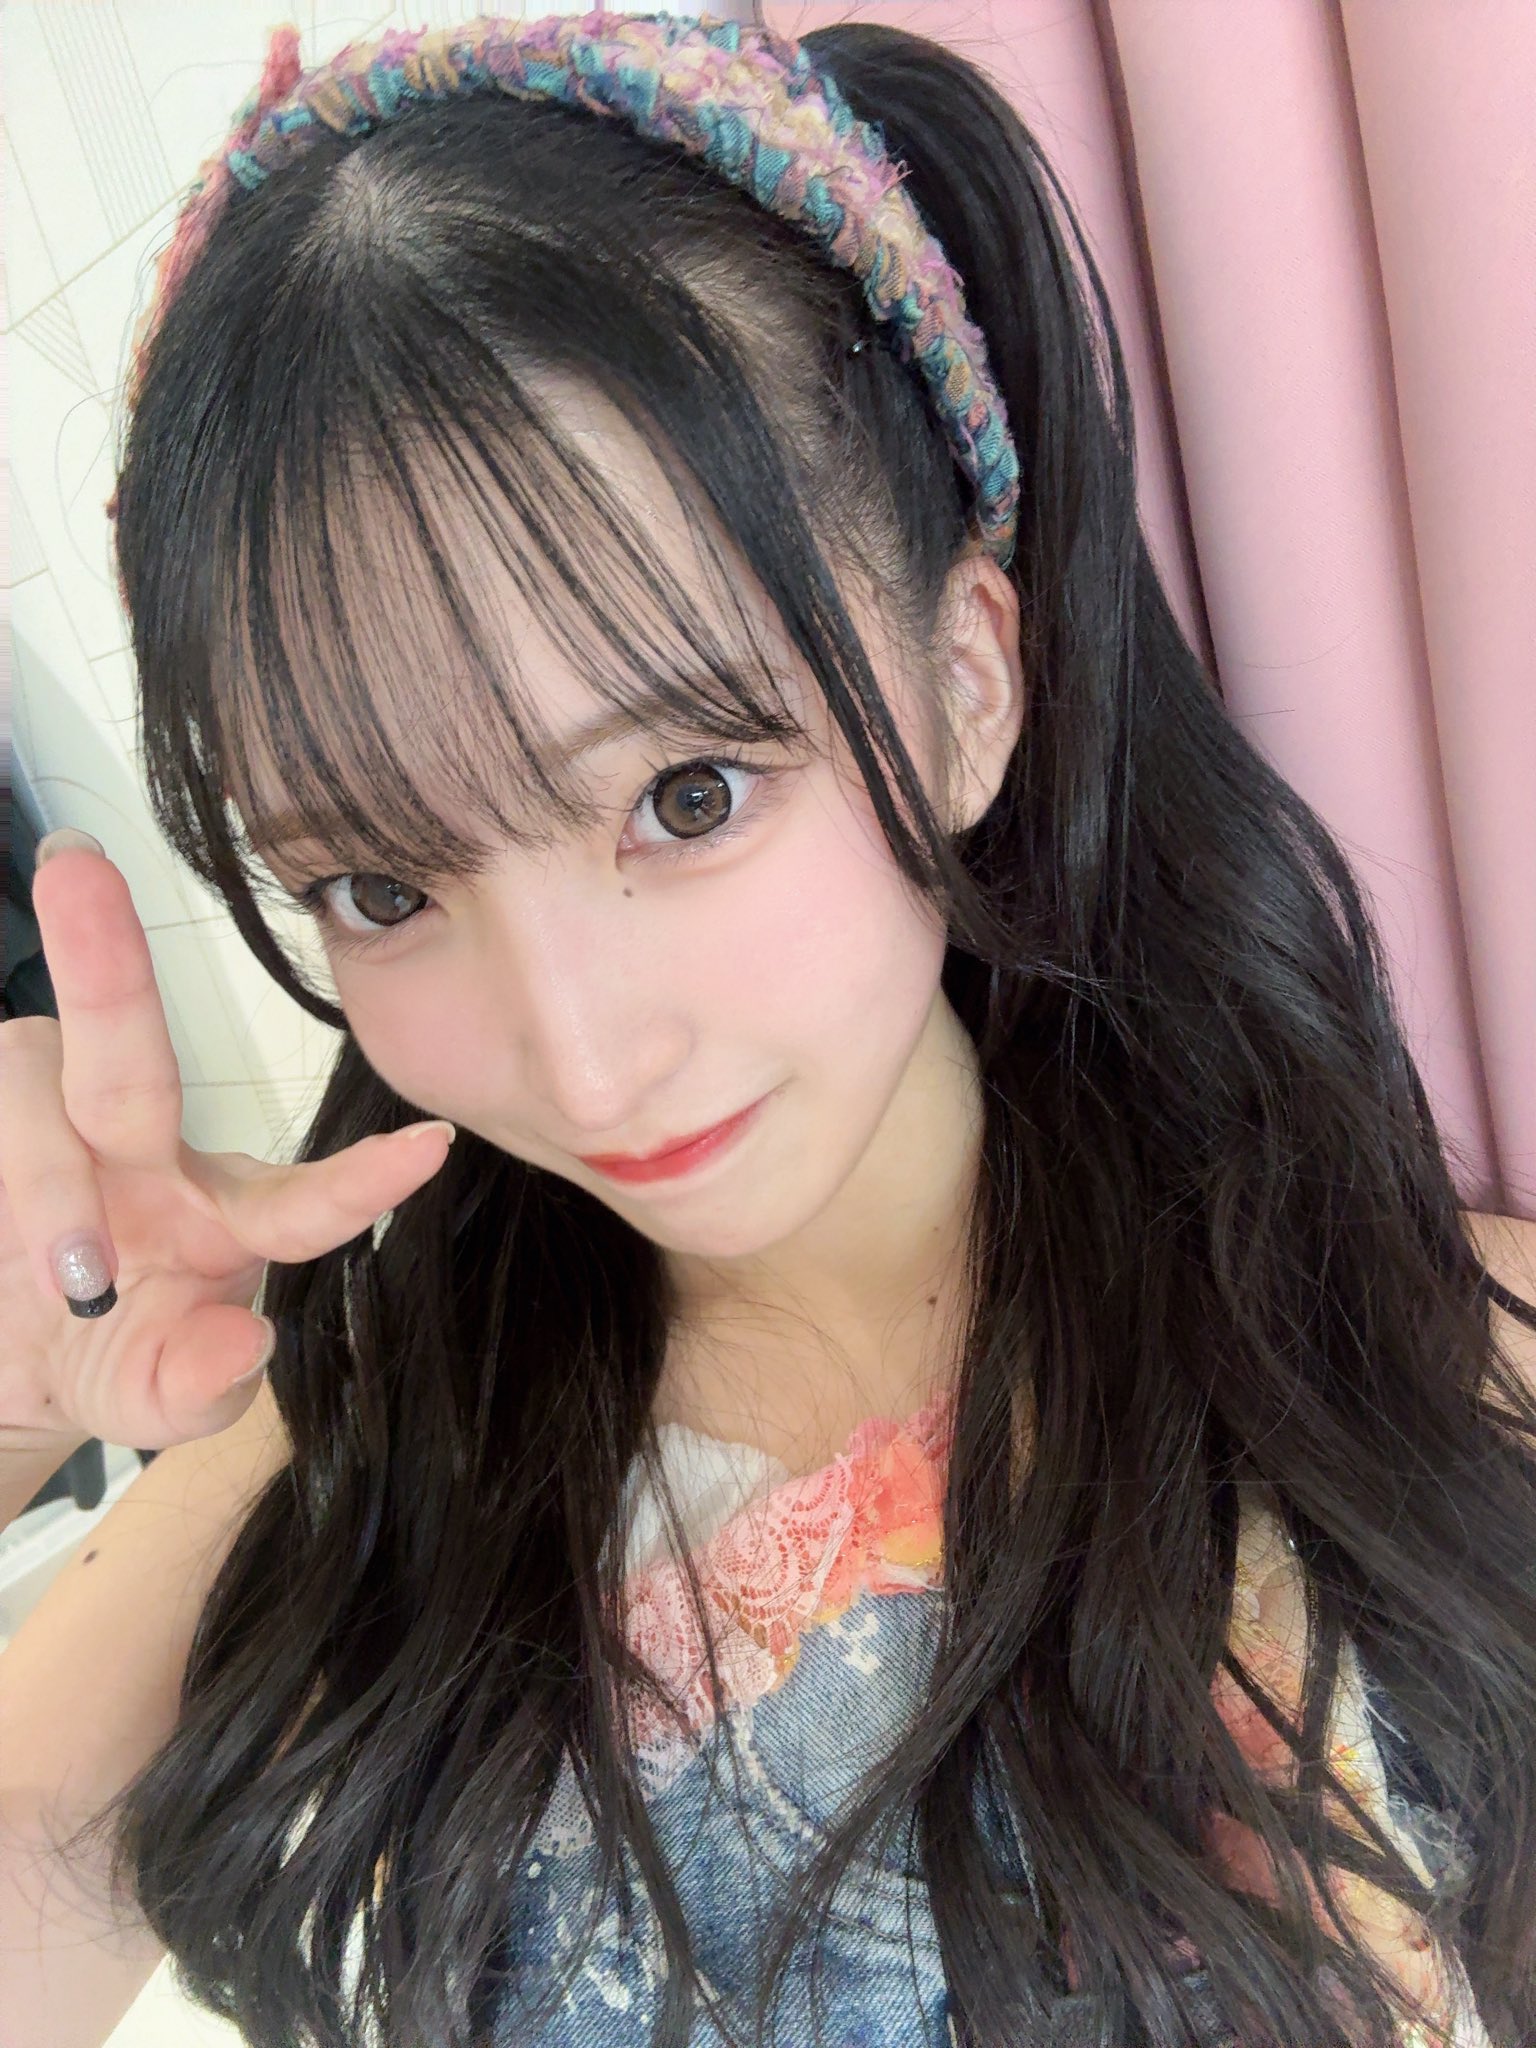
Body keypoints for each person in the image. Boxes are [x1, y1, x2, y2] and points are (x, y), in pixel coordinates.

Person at [1, 12, 1534, 2048]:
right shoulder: (365, 1462)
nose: (583, 1061)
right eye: (380, 886)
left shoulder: (1425, 1378)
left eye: (688, 794)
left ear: (968, 684)